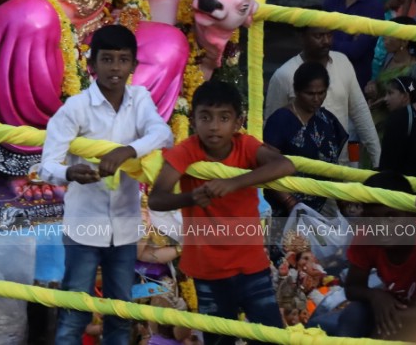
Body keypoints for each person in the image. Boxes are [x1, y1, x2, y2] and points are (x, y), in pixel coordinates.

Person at [37, 25, 173, 345]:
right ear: (92, 65)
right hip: (84, 228)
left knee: (120, 314)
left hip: (124, 230)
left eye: (123, 60)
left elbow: (163, 133)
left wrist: (128, 151)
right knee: (74, 314)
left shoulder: (139, 99)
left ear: (133, 66)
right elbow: (47, 166)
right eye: (107, 59)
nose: (115, 68)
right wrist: (70, 174)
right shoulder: (75, 108)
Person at [149, 80, 293, 343]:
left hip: (250, 264)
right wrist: (190, 197)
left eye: (223, 118)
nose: (214, 126)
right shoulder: (186, 151)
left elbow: (285, 165)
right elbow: (156, 199)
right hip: (209, 270)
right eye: (206, 117)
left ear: (238, 122)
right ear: (193, 120)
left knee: (271, 338)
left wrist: (234, 182)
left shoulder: (245, 145)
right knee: (218, 341)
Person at [313, 171, 416, 338]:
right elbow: (352, 287)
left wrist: (399, 318)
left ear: (412, 216)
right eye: (372, 218)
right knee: (354, 314)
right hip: (407, 306)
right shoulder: (366, 236)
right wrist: (375, 296)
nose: (382, 226)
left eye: (391, 217)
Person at [265, 22, 381, 165]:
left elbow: (360, 111)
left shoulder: (342, 62)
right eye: (318, 36)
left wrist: (378, 161)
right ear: (301, 37)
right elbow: (272, 127)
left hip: (345, 159)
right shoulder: (283, 75)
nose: (326, 41)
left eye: (329, 35)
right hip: (300, 171)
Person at [262, 61, 347, 215]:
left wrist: (342, 198)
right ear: (296, 90)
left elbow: (334, 166)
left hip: (318, 209)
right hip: (286, 209)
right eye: (310, 93)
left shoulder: (326, 120)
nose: (316, 99)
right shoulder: (280, 121)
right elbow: (265, 165)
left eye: (321, 93)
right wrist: (289, 201)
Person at [320, 0, 386, 87]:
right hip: (326, 78)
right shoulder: (331, 1)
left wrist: (328, 41)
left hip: (355, 82)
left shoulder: (373, 8)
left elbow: (356, 51)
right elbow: (315, 38)